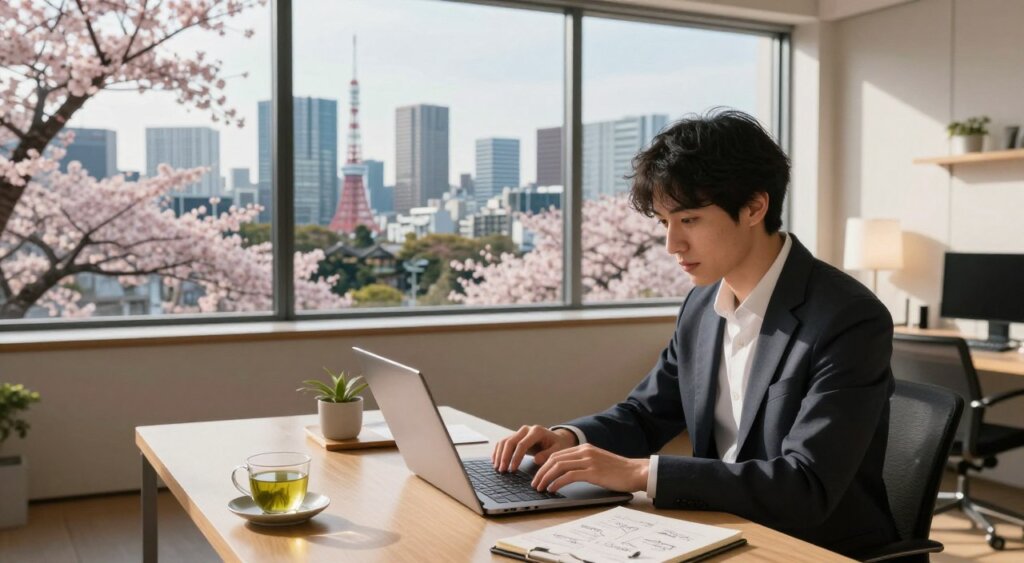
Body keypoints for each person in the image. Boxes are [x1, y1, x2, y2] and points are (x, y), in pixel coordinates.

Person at [491, 109, 899, 557]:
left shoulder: (848, 318)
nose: (672, 245)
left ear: (754, 207)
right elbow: (646, 414)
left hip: (810, 546)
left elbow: (805, 484)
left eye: (689, 220)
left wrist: (640, 473)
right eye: (665, 223)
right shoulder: (701, 306)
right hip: (715, 526)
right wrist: (569, 438)